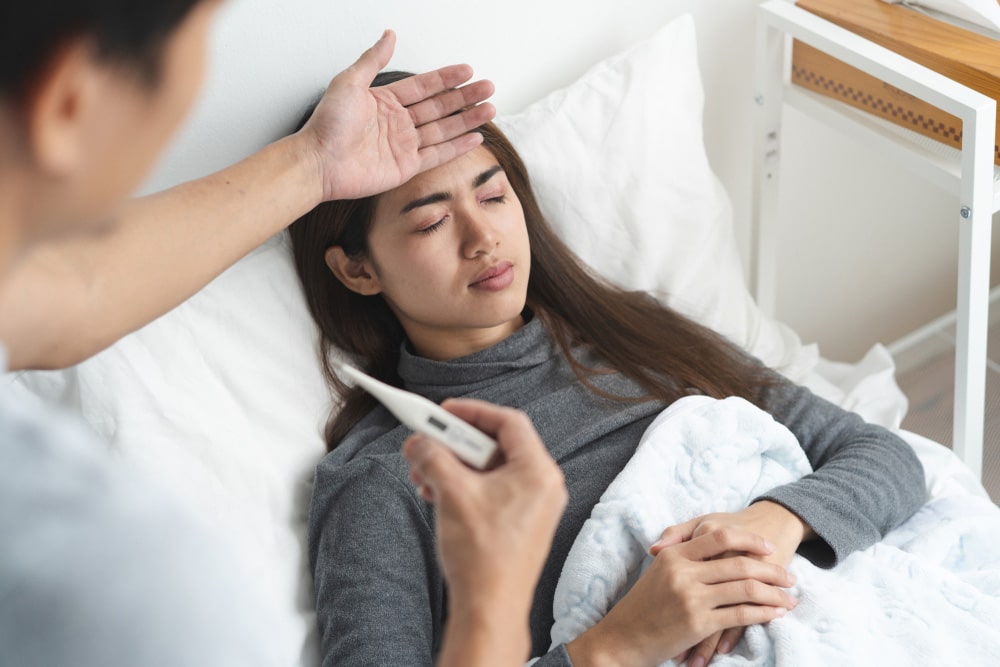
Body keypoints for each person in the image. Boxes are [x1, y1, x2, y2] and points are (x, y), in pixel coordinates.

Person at [289, 71, 928, 667]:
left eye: (492, 194)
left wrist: (764, 528)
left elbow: (881, 456)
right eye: (431, 221)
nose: (482, 236)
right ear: (357, 269)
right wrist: (621, 642)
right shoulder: (385, 481)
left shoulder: (632, 333)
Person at [0, 2, 564, 664]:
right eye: (203, 39)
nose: (481, 235)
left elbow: (73, 291)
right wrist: (501, 603)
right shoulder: (131, 588)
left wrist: (315, 164)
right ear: (69, 100)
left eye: (493, 196)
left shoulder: (635, 346)